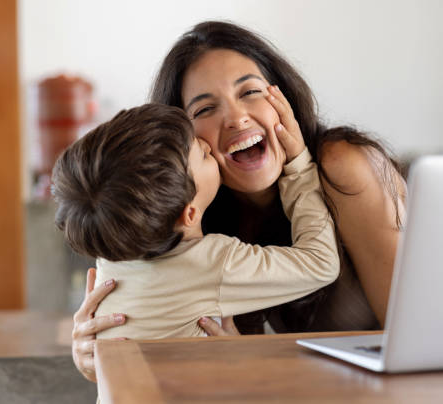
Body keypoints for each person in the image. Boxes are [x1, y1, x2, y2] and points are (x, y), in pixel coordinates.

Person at [71, 21, 406, 382]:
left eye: (249, 92)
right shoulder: (183, 228)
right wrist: (91, 354)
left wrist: (253, 362)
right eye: (203, 110)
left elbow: (417, 349)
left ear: (283, 97)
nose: (236, 117)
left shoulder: (341, 166)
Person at [53, 103, 339, 340]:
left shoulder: (113, 253)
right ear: (188, 214)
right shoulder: (211, 262)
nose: (206, 144)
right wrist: (299, 167)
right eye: (202, 155)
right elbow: (321, 263)